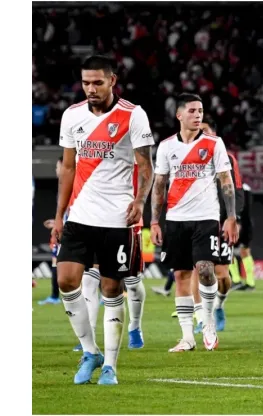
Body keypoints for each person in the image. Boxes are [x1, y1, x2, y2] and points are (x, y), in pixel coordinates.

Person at [51, 55, 154, 385]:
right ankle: (89, 350)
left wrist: (140, 201)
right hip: (80, 214)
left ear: (112, 81)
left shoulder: (133, 115)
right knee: (67, 280)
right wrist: (58, 215)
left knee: (112, 289)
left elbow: (147, 166)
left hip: (117, 217)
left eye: (97, 82)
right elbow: (67, 168)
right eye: (85, 82)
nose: (91, 88)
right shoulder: (72, 116)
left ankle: (110, 364)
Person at [150, 93, 238, 353]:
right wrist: (155, 221)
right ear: (179, 115)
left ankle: (208, 320)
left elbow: (226, 181)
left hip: (206, 217)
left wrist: (231, 216)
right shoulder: (166, 147)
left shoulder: (214, 143)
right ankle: (187, 337)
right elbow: (159, 186)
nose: (198, 115)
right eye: (192, 111)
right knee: (180, 275)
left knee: (205, 269)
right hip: (176, 218)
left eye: (200, 110)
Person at [202, 121, 244, 332]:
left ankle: (219, 305)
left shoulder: (226, 158)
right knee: (198, 271)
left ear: (215, 135)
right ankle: (203, 318)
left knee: (221, 275)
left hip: (219, 221)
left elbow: (236, 188)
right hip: (195, 220)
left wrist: (233, 217)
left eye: (206, 131)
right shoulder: (181, 156)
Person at [39, 157, 65, 306]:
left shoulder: (69, 186)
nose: (56, 170)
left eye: (57, 167)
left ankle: (55, 296)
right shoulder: (62, 187)